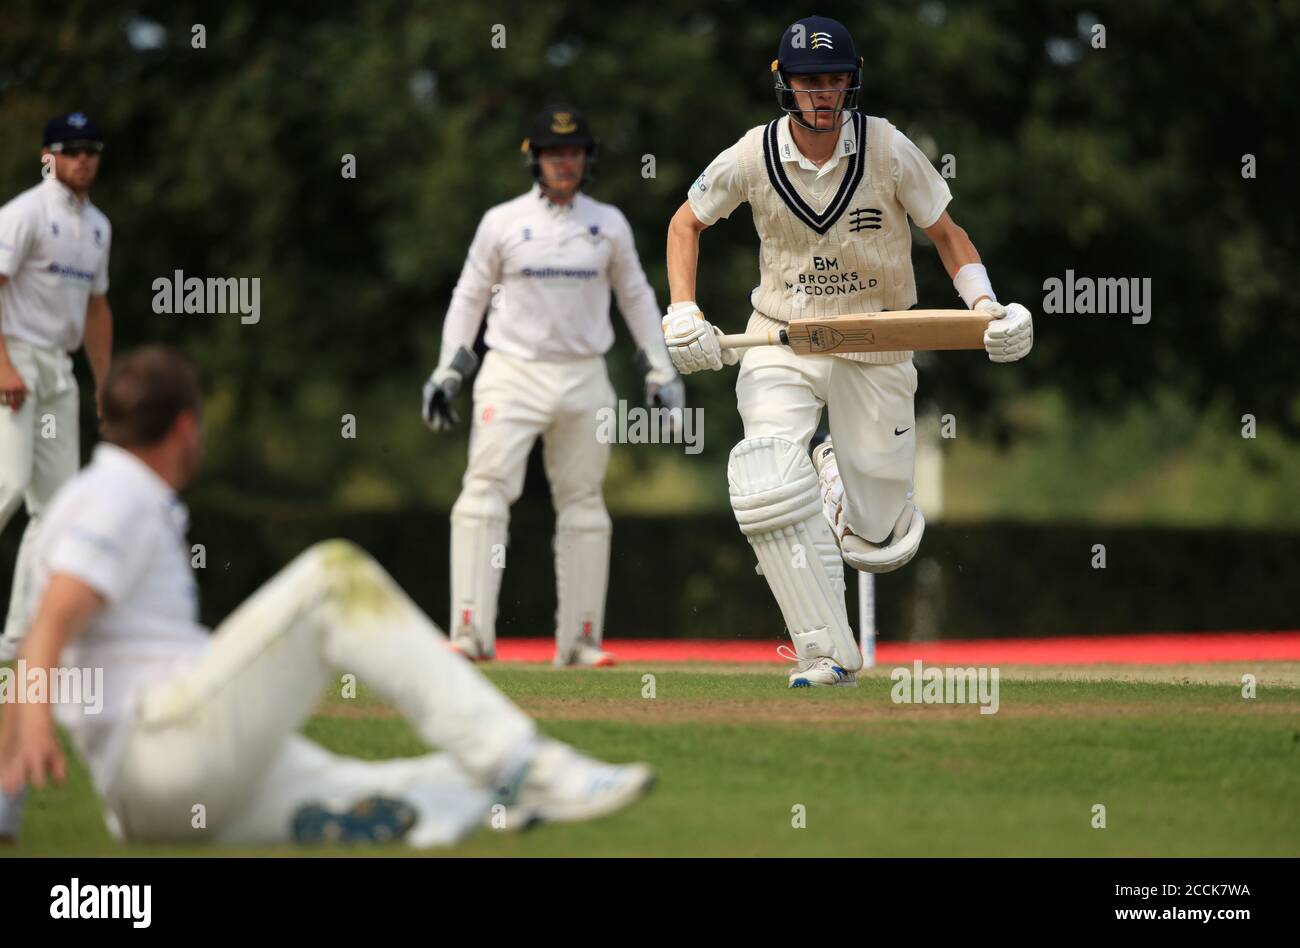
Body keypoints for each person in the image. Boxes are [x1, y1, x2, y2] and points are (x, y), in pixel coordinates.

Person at [0, 347, 653, 847]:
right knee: (333, 579)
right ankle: (524, 762)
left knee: (377, 787)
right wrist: (31, 726)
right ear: (184, 427)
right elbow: (51, 621)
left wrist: (7, 798)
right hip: (166, 750)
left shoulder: (104, 495)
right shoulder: (115, 496)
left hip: (158, 798)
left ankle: (491, 799)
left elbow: (45, 627)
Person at [662, 16, 1033, 688]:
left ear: (851, 80)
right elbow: (686, 222)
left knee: (882, 539)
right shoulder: (751, 155)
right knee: (765, 479)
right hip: (781, 336)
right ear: (786, 85)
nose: (822, 93)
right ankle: (825, 653)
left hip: (879, 340)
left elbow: (947, 234)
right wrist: (683, 309)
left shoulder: (888, 148)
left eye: (833, 79)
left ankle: (836, 475)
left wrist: (986, 308)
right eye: (809, 81)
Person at [422, 104, 684, 667]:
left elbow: (635, 297)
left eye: (573, 153)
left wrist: (660, 369)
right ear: (534, 159)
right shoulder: (501, 221)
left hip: (585, 373)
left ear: (587, 160)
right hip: (511, 370)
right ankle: (470, 633)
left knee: (585, 502)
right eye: (553, 153)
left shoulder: (608, 223)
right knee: (484, 493)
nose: (563, 163)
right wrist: (449, 368)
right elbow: (469, 296)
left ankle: (580, 640)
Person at [0, 112, 114, 661]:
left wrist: (104, 385)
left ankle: (19, 639)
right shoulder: (23, 214)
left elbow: (96, 309)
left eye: (91, 150)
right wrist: (2, 365)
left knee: (57, 506)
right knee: (8, 484)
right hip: (14, 359)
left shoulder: (97, 227)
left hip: (59, 372)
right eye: (71, 150)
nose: (83, 159)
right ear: (49, 156)